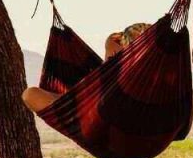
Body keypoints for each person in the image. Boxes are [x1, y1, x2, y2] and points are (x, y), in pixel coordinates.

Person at [22, 22, 151, 113]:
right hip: (90, 103)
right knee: (30, 94)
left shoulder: (139, 83)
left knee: (31, 95)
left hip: (100, 110)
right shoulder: (103, 81)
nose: (110, 57)